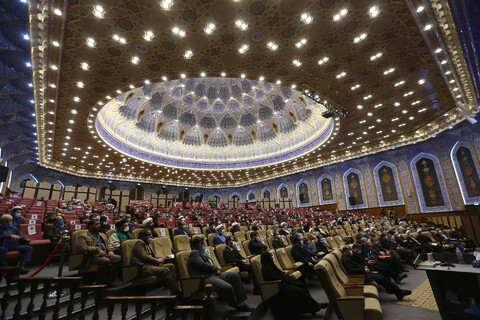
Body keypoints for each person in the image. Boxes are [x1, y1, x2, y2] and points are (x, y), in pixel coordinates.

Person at [188, 236, 252, 311]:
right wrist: (215, 268)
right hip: (205, 278)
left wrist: (216, 269)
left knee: (234, 275)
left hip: (214, 275)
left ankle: (241, 302)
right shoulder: (194, 253)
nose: (204, 245)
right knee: (228, 287)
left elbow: (210, 263)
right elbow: (202, 265)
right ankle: (236, 305)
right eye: (202, 243)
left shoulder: (203, 253)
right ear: (196, 245)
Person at [260, 252, 327, 320]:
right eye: (270, 257)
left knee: (300, 285)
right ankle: (314, 307)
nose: (272, 258)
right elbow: (275, 280)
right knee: (297, 291)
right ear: (267, 258)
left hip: (283, 285)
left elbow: (280, 275)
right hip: (278, 289)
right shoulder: (266, 269)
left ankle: (313, 306)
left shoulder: (271, 266)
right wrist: (287, 282)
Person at [341, 245, 411, 300]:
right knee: (381, 277)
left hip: (363, 272)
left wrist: (365, 267)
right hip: (360, 277)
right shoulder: (345, 259)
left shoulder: (348, 257)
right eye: (349, 251)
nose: (350, 252)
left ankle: (398, 292)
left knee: (381, 276)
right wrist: (364, 269)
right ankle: (398, 292)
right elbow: (351, 270)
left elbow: (358, 264)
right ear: (345, 251)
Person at [131, 229, 181, 295]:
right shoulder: (139, 243)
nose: (151, 236)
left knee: (171, 266)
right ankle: (175, 293)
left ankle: (176, 289)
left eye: (151, 234)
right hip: (143, 267)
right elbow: (144, 257)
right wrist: (157, 260)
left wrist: (159, 258)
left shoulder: (147, 244)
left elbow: (152, 255)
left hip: (150, 265)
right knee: (165, 270)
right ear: (143, 236)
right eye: (149, 235)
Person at [77, 219, 121, 285]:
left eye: (99, 224)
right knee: (105, 261)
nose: (99, 225)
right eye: (96, 224)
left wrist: (110, 251)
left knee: (118, 258)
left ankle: (110, 280)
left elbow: (109, 244)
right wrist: (97, 250)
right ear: (90, 226)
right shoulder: (83, 236)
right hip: (92, 256)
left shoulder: (102, 235)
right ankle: (100, 282)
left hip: (105, 253)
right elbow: (82, 247)